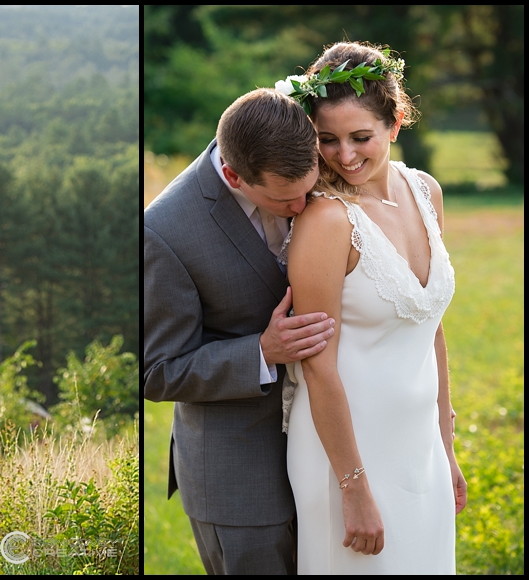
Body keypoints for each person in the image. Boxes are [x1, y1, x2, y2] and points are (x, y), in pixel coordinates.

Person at [278, 41, 466, 574]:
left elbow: (430, 328)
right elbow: (317, 363)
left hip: (418, 446)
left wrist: (444, 446)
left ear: (396, 122)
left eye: (361, 137)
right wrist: (353, 489)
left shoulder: (426, 191)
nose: (345, 155)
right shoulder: (325, 222)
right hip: (347, 456)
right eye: (327, 140)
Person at [143, 87, 337, 574]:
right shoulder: (163, 232)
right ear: (233, 175)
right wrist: (262, 351)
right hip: (240, 476)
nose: (301, 206)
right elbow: (157, 371)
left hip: (324, 454)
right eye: (283, 199)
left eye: (307, 190)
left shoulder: (291, 156)